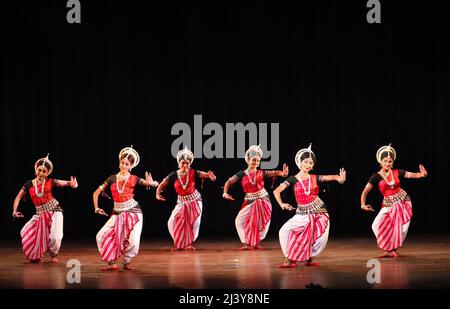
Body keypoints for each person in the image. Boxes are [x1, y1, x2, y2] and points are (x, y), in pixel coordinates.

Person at [273, 144, 346, 268]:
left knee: (320, 238)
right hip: (302, 213)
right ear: (300, 163)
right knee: (284, 231)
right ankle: (290, 258)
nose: (308, 165)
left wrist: (339, 178)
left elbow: (329, 177)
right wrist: (282, 204)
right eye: (306, 162)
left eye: (311, 163)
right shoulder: (292, 179)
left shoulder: (315, 177)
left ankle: (309, 258)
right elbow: (276, 191)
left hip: (319, 211)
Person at [93, 146, 159, 270]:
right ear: (119, 163)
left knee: (133, 241)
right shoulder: (112, 178)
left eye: (126, 164)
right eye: (122, 163)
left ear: (131, 166)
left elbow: (152, 183)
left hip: (134, 212)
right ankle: (112, 262)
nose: (124, 166)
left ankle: (127, 261)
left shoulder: (134, 179)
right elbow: (96, 193)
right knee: (100, 235)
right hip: (117, 213)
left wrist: (152, 183)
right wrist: (96, 208)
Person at [360, 144, 427, 258]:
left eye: (390, 161)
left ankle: (392, 250)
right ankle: (389, 248)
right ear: (380, 162)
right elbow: (365, 191)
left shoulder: (397, 172)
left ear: (392, 162)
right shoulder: (376, 176)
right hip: (388, 204)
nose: (387, 163)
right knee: (375, 225)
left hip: (403, 201)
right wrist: (362, 204)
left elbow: (411, 175)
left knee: (401, 228)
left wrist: (422, 174)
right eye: (385, 161)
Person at [12, 154, 78, 263]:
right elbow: (18, 196)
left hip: (55, 210)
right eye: (39, 170)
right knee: (25, 232)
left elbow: (65, 183)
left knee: (55, 237)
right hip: (40, 214)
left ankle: (54, 254)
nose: (41, 173)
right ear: (35, 170)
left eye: (44, 171)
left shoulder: (50, 182)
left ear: (47, 173)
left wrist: (71, 184)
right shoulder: (29, 184)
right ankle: (37, 253)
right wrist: (14, 211)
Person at [223, 145, 288, 250]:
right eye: (254, 160)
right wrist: (225, 193)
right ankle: (247, 242)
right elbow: (229, 182)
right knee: (239, 220)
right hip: (249, 200)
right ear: (248, 160)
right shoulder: (241, 174)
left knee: (260, 222)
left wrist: (283, 173)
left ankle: (255, 242)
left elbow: (275, 173)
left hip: (263, 199)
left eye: (258, 161)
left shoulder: (261, 173)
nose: (256, 163)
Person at [156, 146, 216, 250]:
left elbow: (206, 175)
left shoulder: (193, 172)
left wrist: (211, 176)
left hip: (195, 200)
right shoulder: (174, 175)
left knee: (194, 223)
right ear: (179, 163)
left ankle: (188, 244)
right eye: (183, 162)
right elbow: (162, 184)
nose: (184, 165)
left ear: (190, 164)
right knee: (171, 222)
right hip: (181, 202)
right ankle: (179, 243)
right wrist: (157, 194)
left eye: (187, 163)